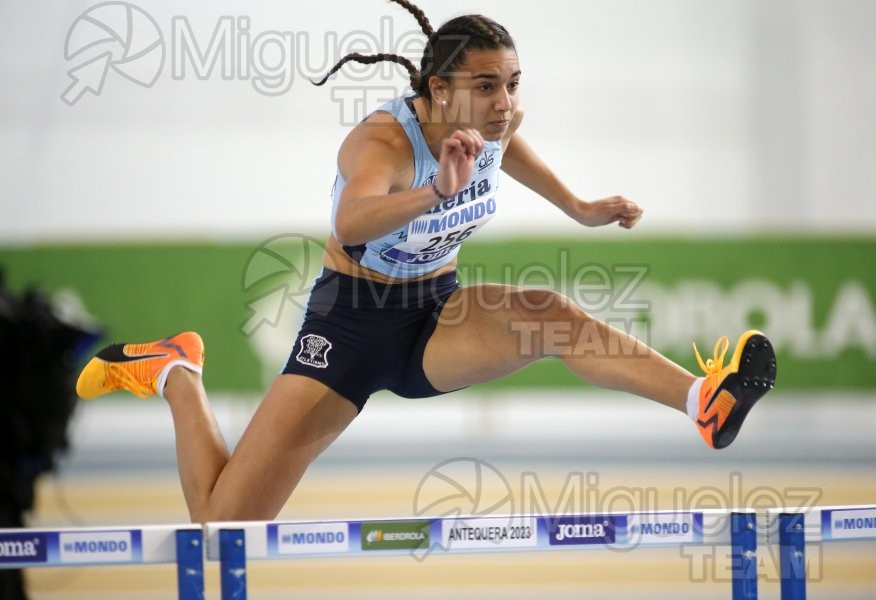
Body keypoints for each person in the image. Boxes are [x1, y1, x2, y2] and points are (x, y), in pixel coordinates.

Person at [75, 0, 776, 523]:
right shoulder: (381, 143)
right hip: (349, 325)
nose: (505, 104)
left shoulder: (499, 120)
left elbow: (510, 150)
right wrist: (434, 190)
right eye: (488, 86)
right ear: (440, 90)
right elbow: (351, 223)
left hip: (437, 312)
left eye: (514, 84)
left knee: (548, 315)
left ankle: (702, 401)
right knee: (222, 525)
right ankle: (176, 370)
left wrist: (580, 207)